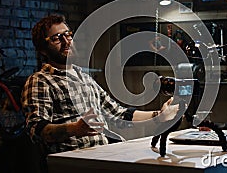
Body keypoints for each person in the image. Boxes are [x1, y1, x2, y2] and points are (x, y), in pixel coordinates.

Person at [21, 14, 178, 167]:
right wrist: (75, 129)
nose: (66, 41)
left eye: (68, 35)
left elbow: (117, 113)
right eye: (56, 38)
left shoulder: (83, 76)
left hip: (101, 157)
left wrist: (159, 115)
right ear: (42, 49)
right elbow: (36, 130)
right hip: (71, 163)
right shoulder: (39, 81)